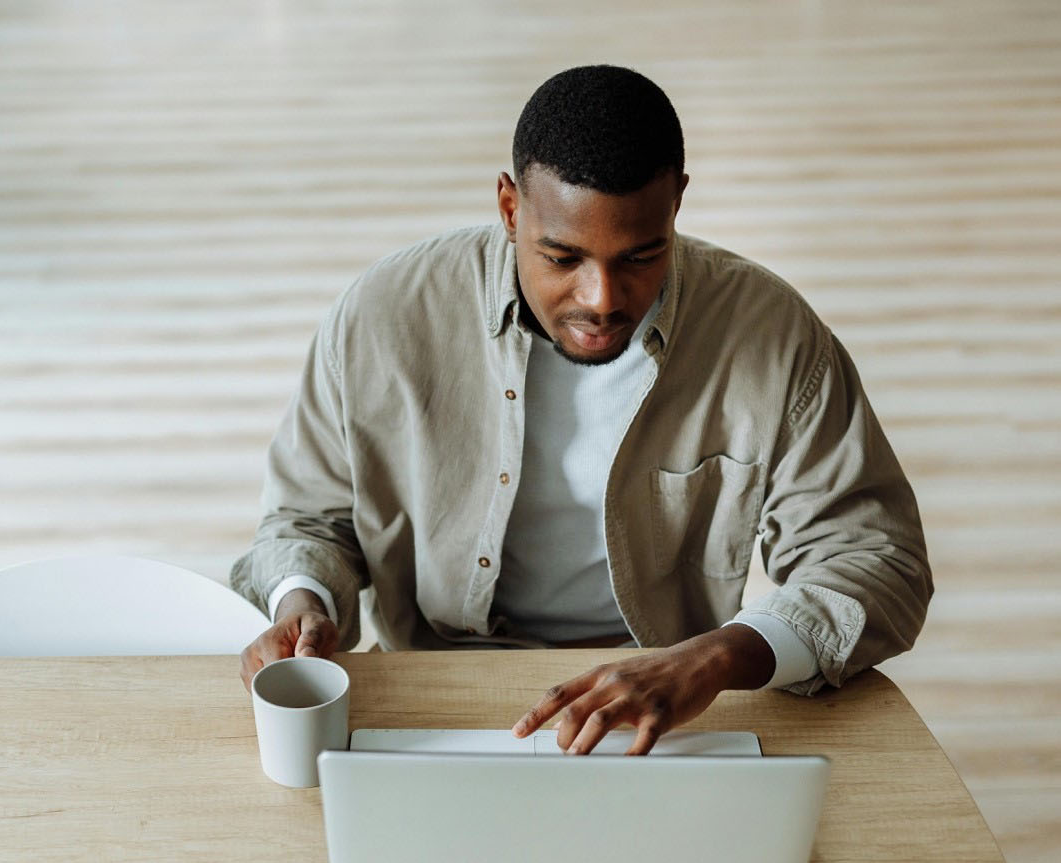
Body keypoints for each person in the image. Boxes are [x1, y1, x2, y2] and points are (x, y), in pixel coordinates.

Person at [230, 64, 933, 756]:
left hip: (663, 703)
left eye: (640, 255)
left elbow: (875, 557)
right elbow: (306, 517)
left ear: (677, 202)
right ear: (510, 208)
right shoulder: (383, 318)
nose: (601, 298)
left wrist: (714, 659)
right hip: (432, 686)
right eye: (563, 257)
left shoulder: (773, 336)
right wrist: (303, 601)